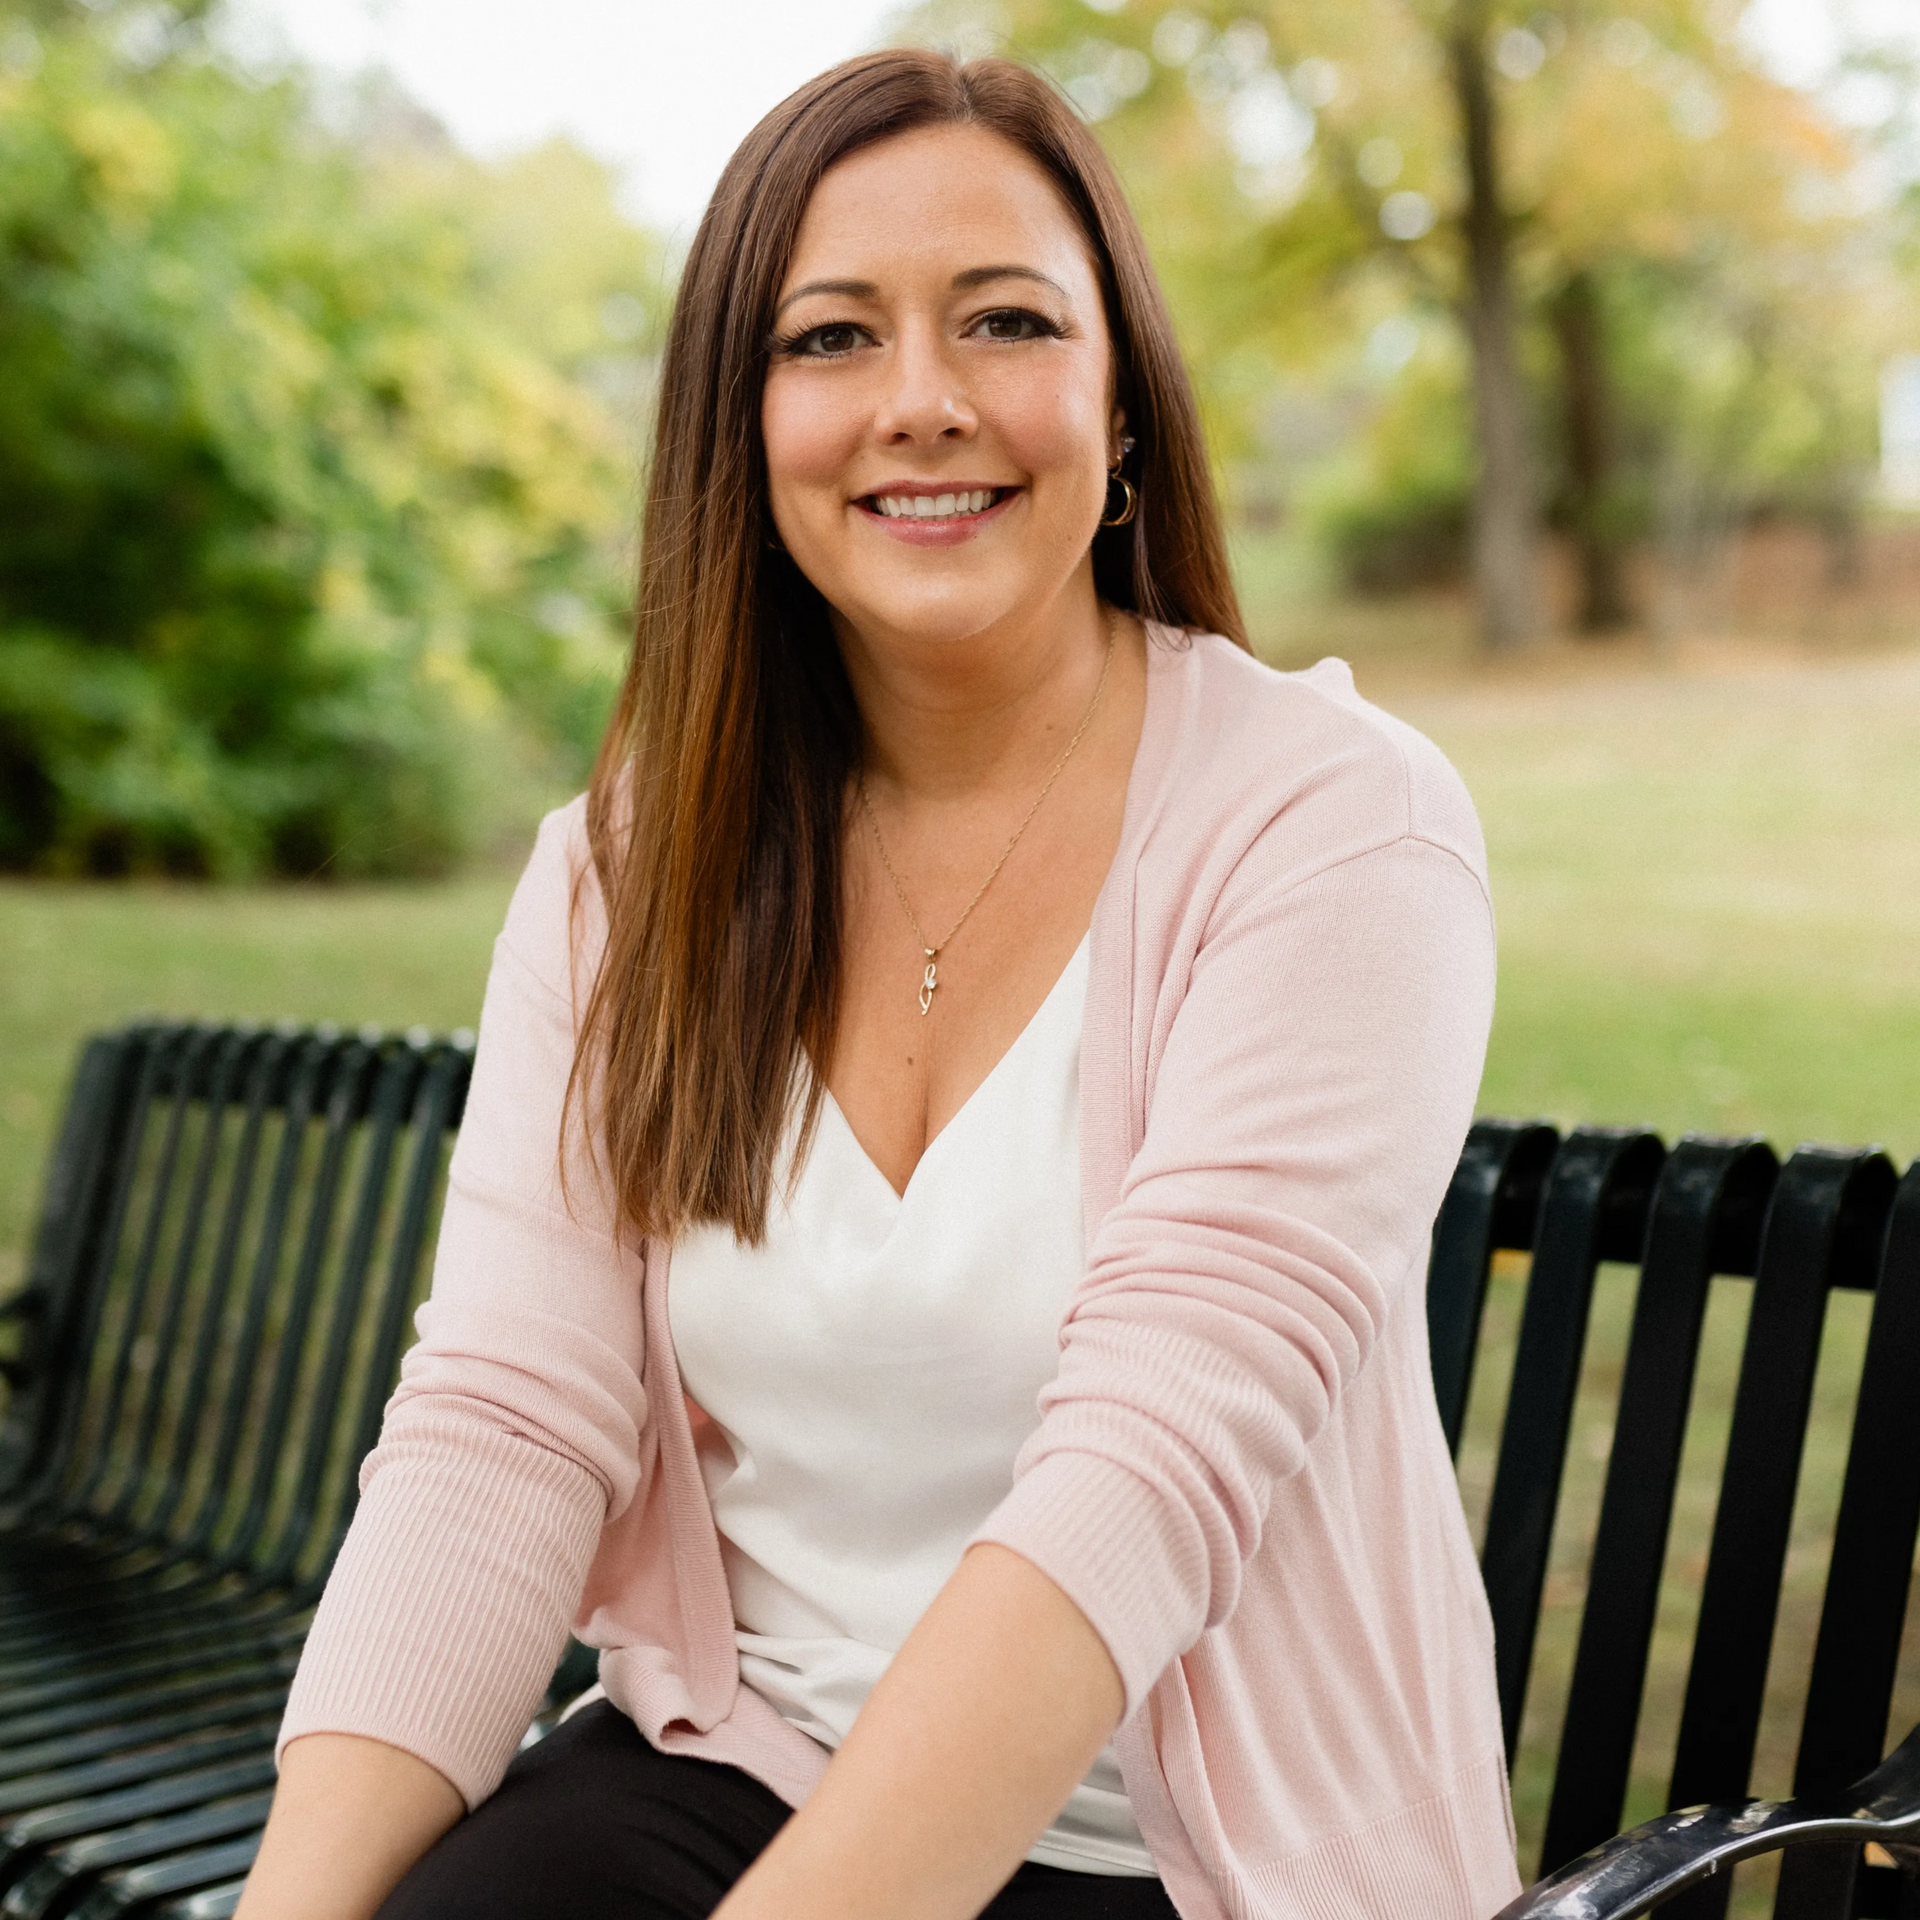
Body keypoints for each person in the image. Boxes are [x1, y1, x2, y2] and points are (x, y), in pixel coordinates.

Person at [237, 48, 1518, 1920]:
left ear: (1122, 402)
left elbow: (1145, 1468)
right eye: (829, 340)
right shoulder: (623, 875)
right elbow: (506, 1425)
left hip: (1182, 1861)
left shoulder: (1333, 832)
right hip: (736, 1770)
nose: (921, 403)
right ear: (740, 434)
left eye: (1004, 321)